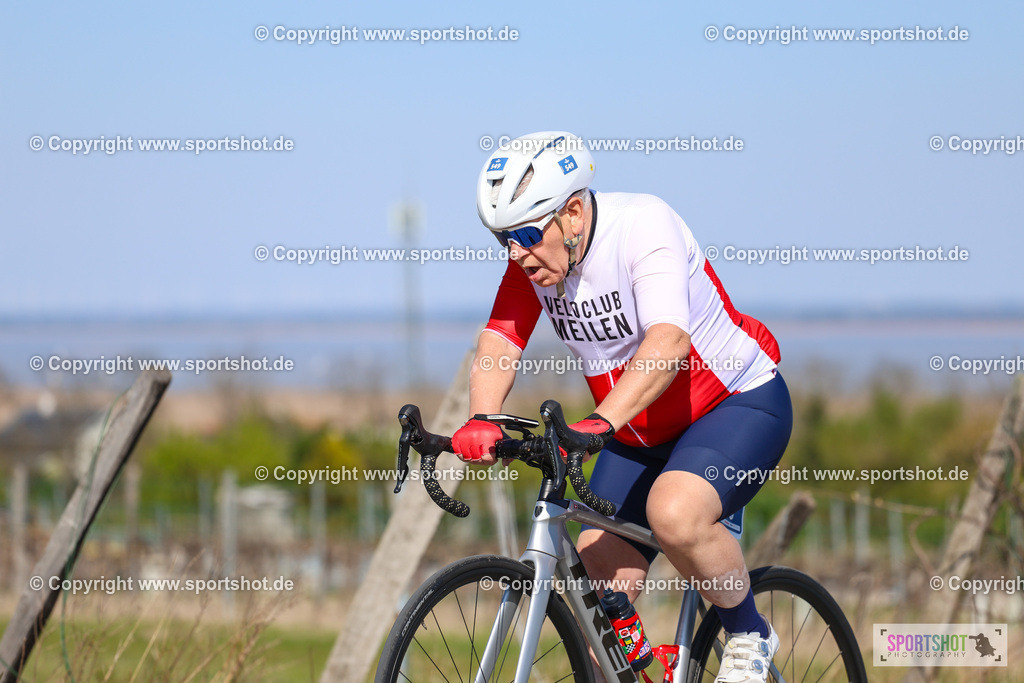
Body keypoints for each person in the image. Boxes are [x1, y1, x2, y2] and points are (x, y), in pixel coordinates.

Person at [451, 131, 793, 683]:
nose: (516, 253)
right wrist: (482, 419)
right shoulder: (534, 261)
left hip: (734, 405)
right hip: (637, 434)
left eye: (527, 235)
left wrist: (599, 422)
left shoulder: (643, 226)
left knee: (674, 513)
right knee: (596, 601)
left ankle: (750, 634)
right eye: (503, 239)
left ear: (572, 212)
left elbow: (668, 342)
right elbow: (501, 341)